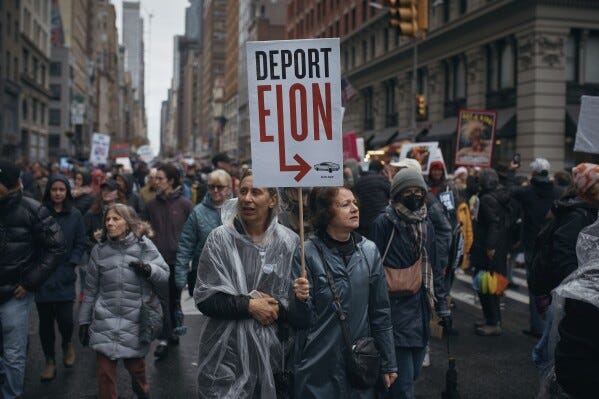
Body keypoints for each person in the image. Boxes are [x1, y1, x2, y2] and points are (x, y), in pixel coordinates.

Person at [193, 170, 301, 398]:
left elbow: (300, 310)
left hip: (274, 353)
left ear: (273, 200)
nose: (247, 198)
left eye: (255, 192)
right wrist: (250, 306)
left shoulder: (289, 242)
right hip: (226, 351)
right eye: (243, 191)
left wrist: (282, 306)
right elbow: (205, 299)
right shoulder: (219, 239)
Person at [287, 186, 397, 398]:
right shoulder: (306, 254)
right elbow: (300, 321)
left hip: (359, 365)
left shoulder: (369, 251)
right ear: (326, 212)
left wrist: (389, 362)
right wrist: (299, 299)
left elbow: (380, 312)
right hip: (317, 368)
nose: (354, 208)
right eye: (345, 204)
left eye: (354, 203)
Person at [370, 167, 450, 399]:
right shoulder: (384, 223)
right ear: (396, 194)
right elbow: (372, 267)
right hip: (394, 311)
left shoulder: (427, 224)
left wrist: (442, 304)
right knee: (404, 385)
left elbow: (434, 268)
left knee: (412, 373)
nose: (414, 195)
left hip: (422, 309)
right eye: (408, 191)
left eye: (418, 191)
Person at [78, 203, 169, 399]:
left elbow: (164, 274)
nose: (110, 223)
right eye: (107, 219)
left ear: (127, 223)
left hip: (136, 320)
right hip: (104, 319)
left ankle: (142, 392)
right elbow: (90, 290)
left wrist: (148, 269)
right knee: (104, 374)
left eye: (116, 219)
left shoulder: (144, 246)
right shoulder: (99, 251)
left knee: (137, 370)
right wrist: (84, 322)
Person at [0, 160, 66, 399]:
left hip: (15, 295)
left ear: (8, 186)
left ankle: (10, 394)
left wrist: (30, 282)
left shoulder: (32, 209)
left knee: (13, 352)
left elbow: (57, 247)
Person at [36, 175, 86, 381]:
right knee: (45, 322)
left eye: (61, 190)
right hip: (43, 275)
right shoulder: (39, 214)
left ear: (66, 192)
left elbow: (81, 242)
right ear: (48, 191)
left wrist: (73, 262)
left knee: (66, 319)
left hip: (65, 274)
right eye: (54, 189)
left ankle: (67, 343)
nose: (57, 193)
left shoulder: (74, 215)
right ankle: (49, 360)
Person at [143, 164, 193, 359]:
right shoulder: (150, 205)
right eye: (156, 178)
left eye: (161, 178)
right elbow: (143, 230)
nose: (156, 182)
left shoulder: (185, 205)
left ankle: (174, 329)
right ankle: (164, 338)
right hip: (157, 263)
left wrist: (188, 256)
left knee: (174, 300)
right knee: (162, 300)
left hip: (178, 262)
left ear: (171, 181)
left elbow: (192, 233)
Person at [510, 158, 563, 338]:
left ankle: (537, 326)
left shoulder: (527, 192)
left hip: (532, 243)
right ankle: (552, 325)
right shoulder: (558, 192)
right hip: (552, 242)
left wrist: (512, 172)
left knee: (534, 285)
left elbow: (509, 191)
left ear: (533, 173)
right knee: (553, 285)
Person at [175, 170, 232, 297]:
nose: (215, 190)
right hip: (205, 272)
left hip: (233, 271)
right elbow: (185, 245)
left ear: (229, 188)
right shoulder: (198, 212)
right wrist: (181, 277)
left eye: (220, 187)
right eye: (212, 187)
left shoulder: (238, 209)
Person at [470, 169, 511, 336]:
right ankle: (492, 320)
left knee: (486, 286)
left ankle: (493, 322)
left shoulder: (486, 199)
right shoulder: (497, 196)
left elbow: (493, 224)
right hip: (497, 248)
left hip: (487, 249)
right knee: (490, 285)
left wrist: (489, 247)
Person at [354, 159, 390, 238]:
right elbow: (392, 195)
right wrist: (389, 178)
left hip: (363, 222)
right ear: (381, 170)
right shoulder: (382, 179)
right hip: (380, 219)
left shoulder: (358, 181)